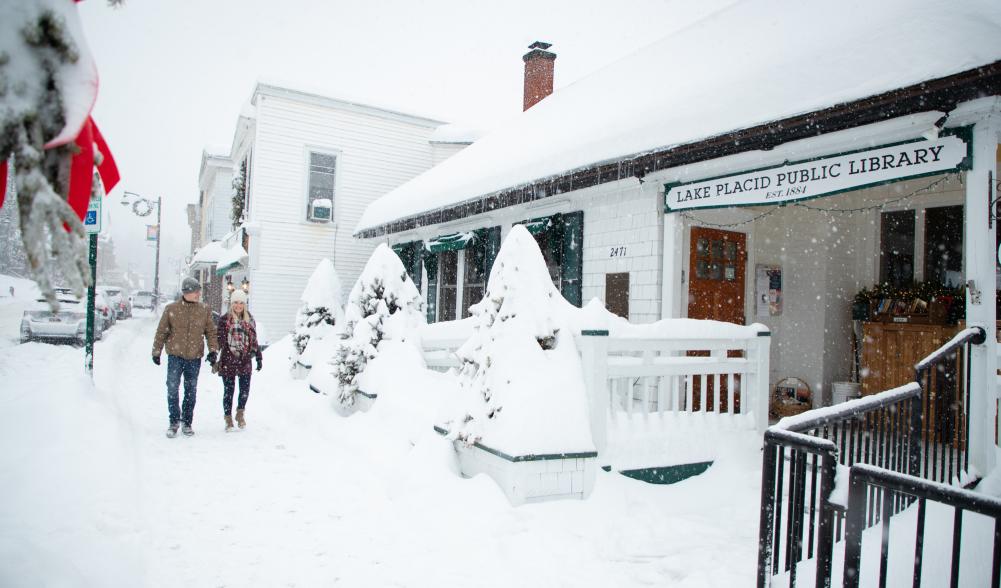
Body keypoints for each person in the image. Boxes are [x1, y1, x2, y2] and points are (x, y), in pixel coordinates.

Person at [152, 277, 219, 438]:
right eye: (196, 291)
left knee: (191, 391)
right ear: (186, 292)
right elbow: (162, 332)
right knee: (172, 388)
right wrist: (156, 351)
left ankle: (187, 422)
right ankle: (174, 421)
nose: (198, 294)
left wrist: (213, 350)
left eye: (199, 291)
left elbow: (210, 332)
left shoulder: (204, 310)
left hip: (194, 358)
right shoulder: (171, 309)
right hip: (175, 356)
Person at [216, 290, 262, 431]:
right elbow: (219, 340)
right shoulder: (224, 320)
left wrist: (259, 357)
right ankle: (228, 418)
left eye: (241, 302)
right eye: (236, 302)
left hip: (245, 359)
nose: (238, 305)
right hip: (228, 359)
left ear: (244, 304)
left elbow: (254, 339)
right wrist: (215, 355)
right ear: (231, 304)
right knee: (229, 391)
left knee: (244, 390)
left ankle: (240, 414)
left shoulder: (250, 319)